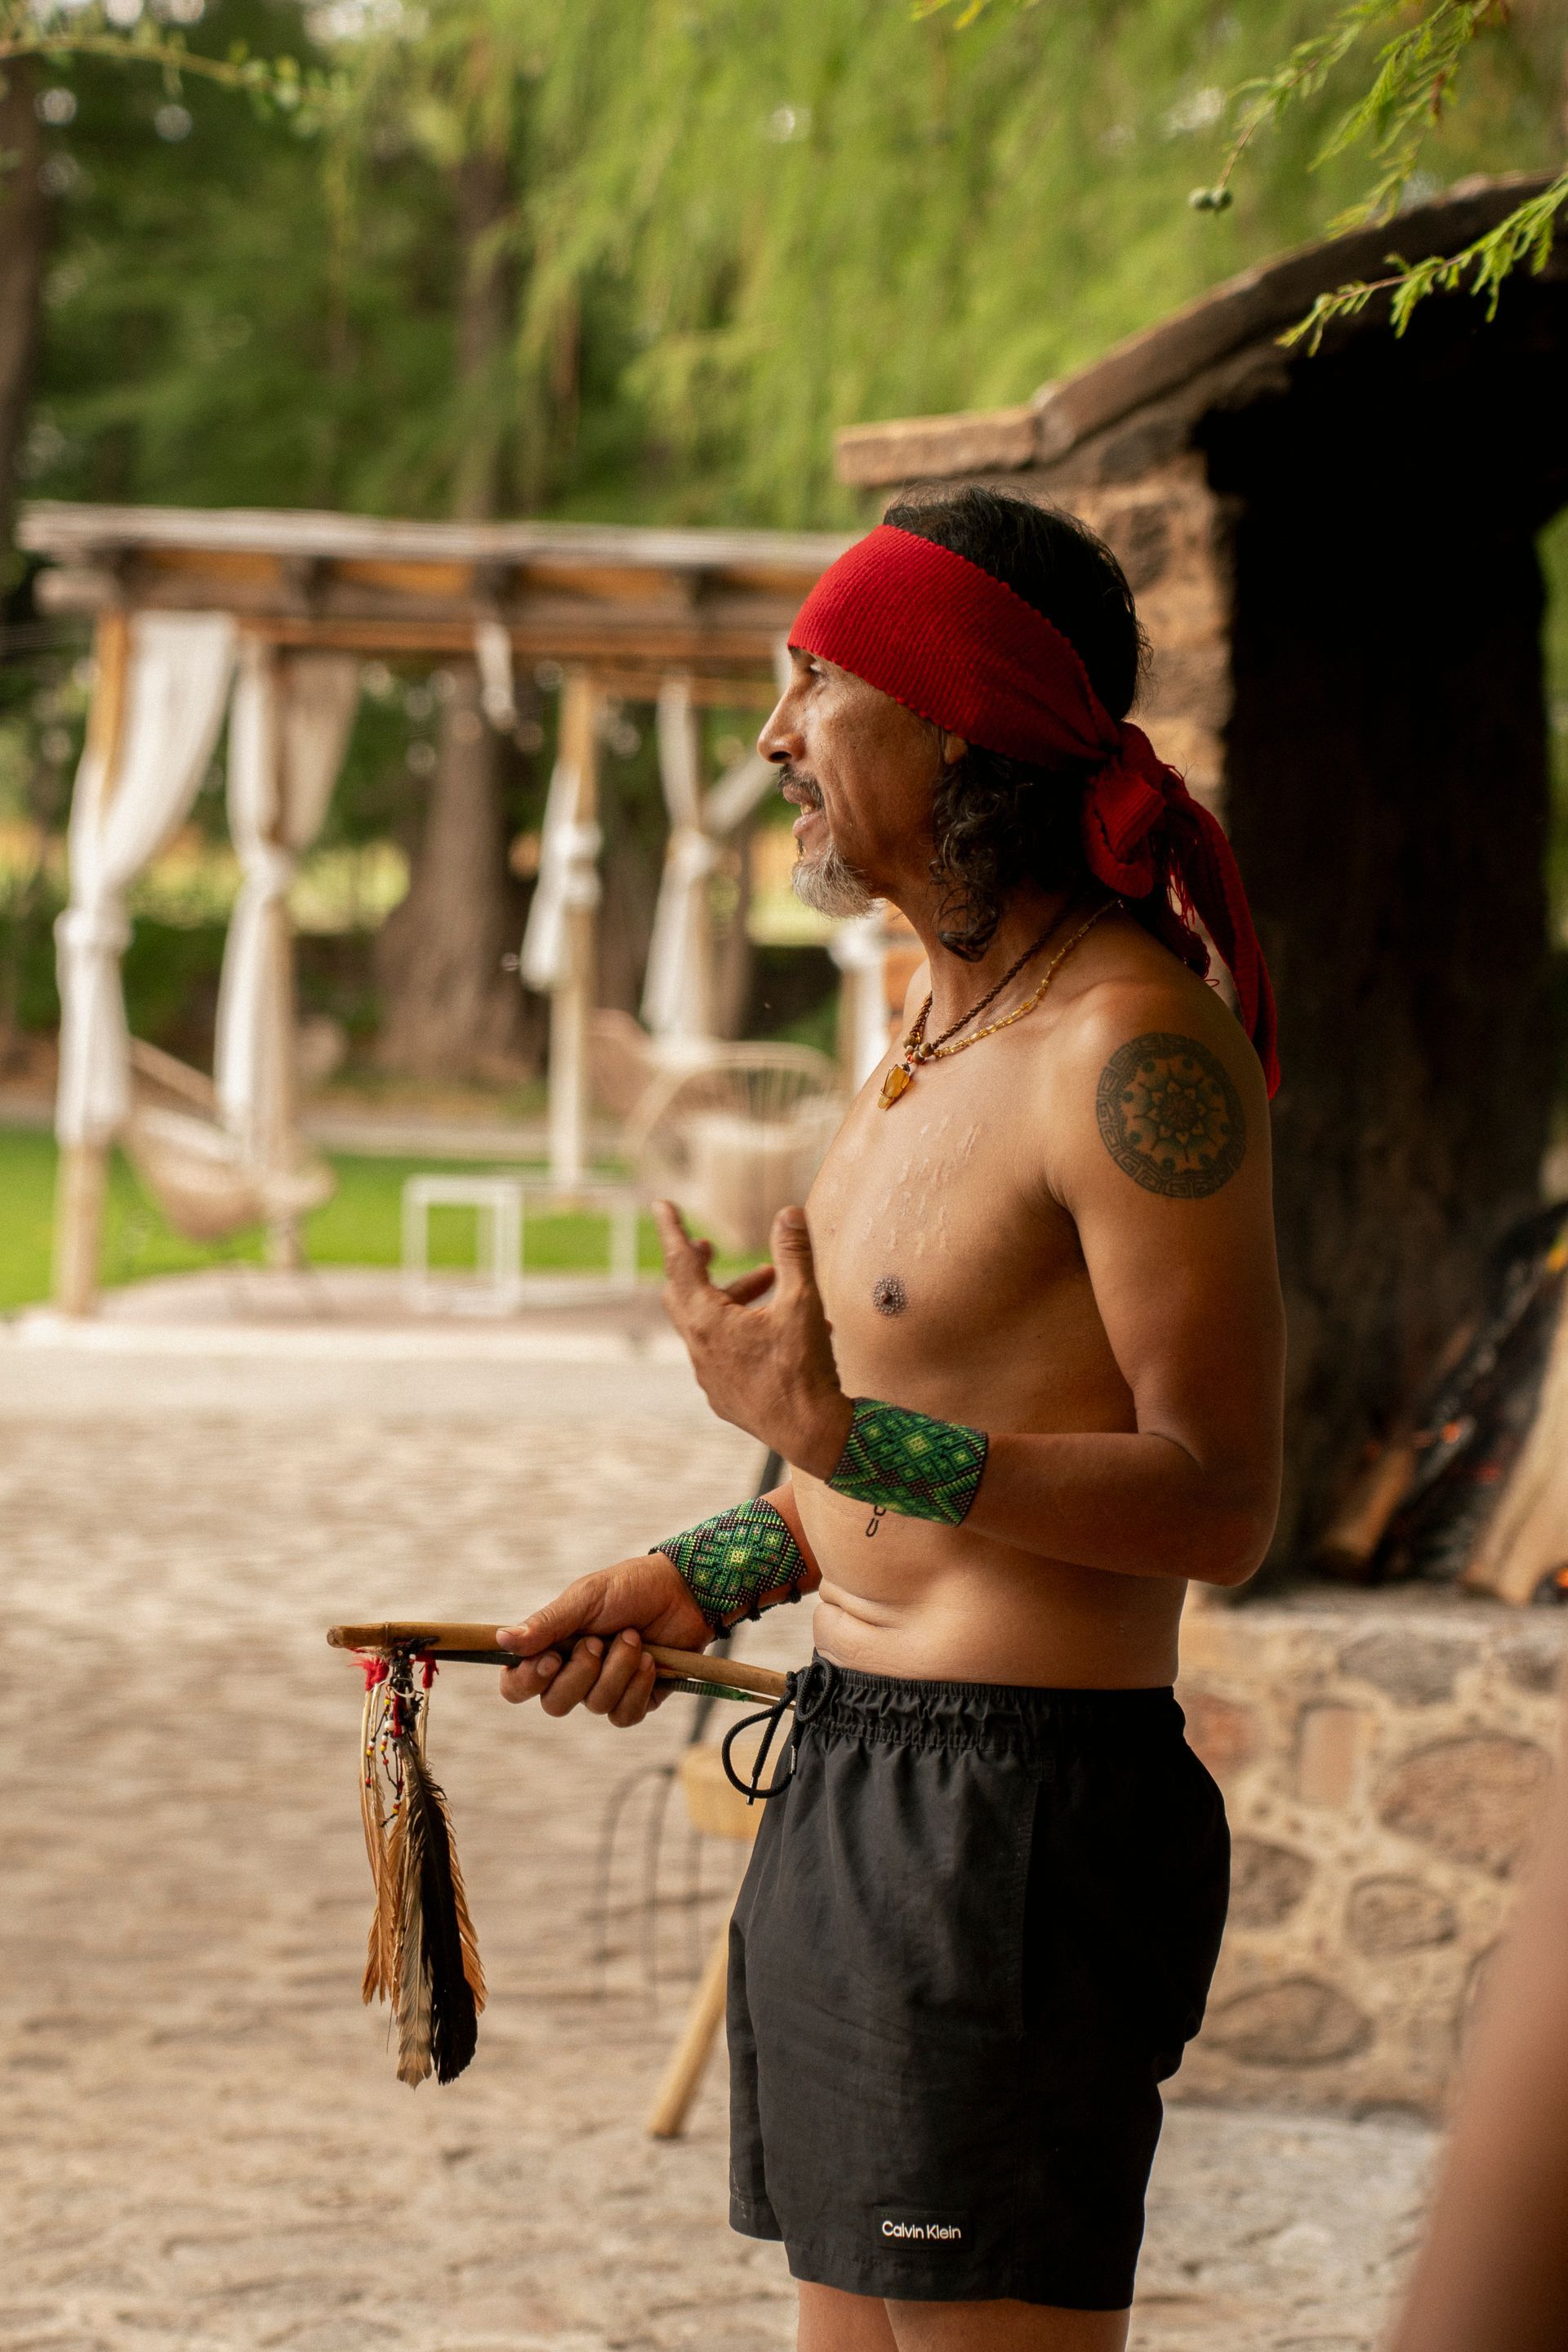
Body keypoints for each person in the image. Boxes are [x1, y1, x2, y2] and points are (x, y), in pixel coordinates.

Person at [497, 485, 1285, 2352]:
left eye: (816, 683)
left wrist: (859, 1448)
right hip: (855, 1778)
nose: (776, 734)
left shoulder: (1129, 1051)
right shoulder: (922, 1041)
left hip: (1021, 1822)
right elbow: (868, 1449)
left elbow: (1222, 1500)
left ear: (948, 719)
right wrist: (687, 1574)